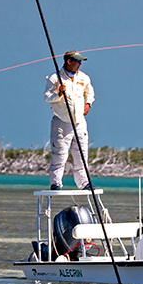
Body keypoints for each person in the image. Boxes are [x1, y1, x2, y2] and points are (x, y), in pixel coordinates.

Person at [44, 50, 95, 190]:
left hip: (79, 123)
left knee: (81, 155)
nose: (79, 64)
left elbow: (89, 93)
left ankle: (84, 183)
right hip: (61, 122)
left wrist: (88, 103)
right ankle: (56, 183)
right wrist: (59, 93)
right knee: (59, 155)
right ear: (69, 61)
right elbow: (47, 96)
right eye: (77, 61)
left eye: (80, 62)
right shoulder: (55, 78)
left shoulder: (84, 78)